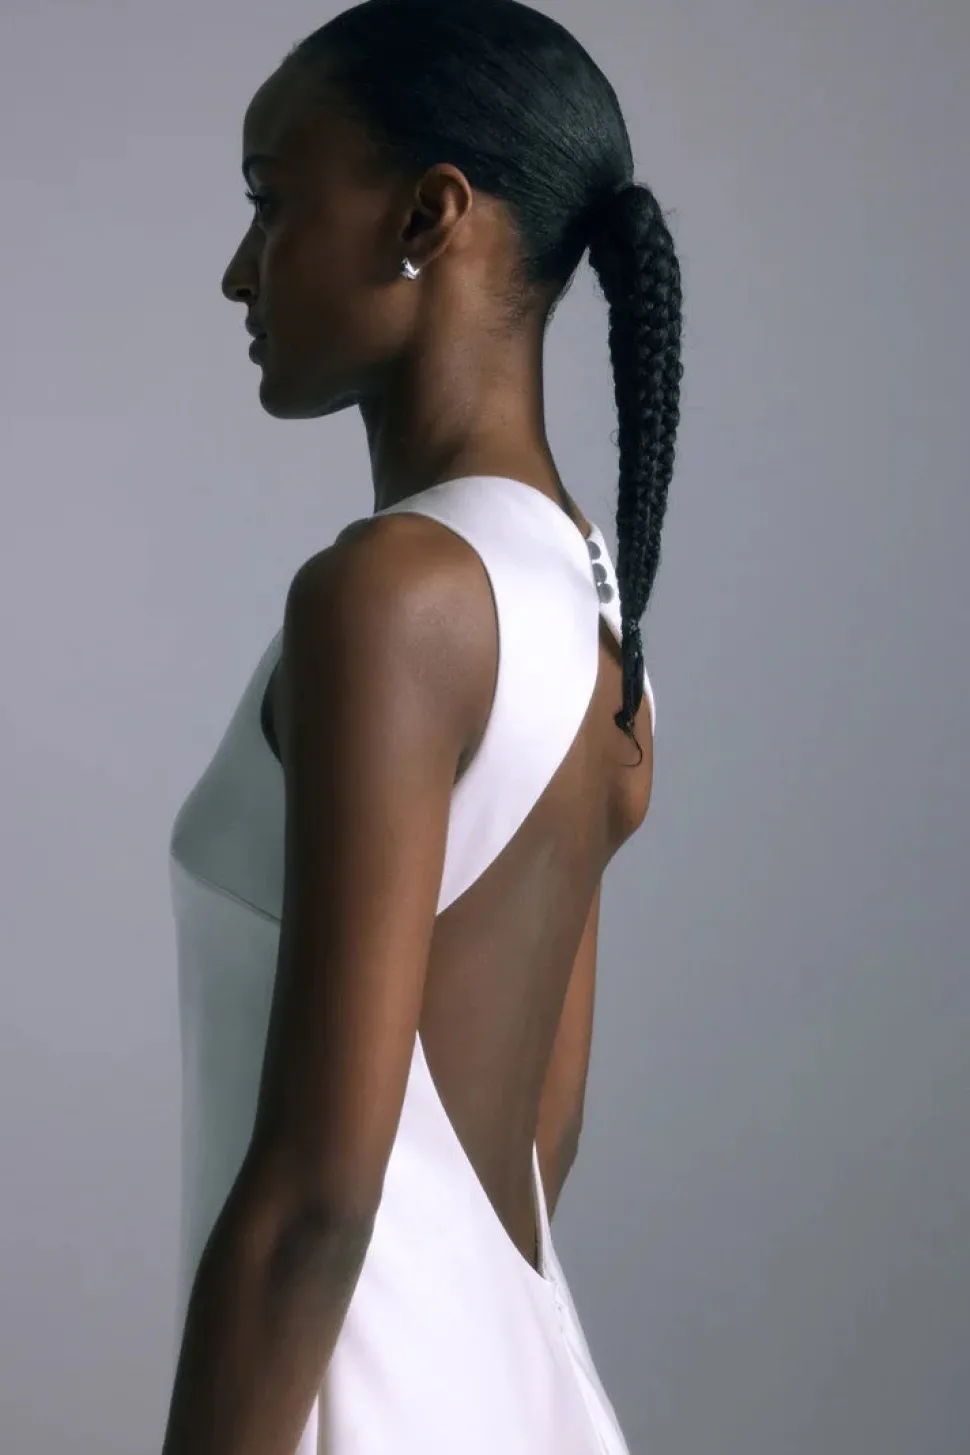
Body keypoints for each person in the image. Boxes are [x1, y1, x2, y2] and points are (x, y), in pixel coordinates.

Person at [163, 1, 683, 1450]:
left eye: (271, 200)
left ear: (426, 217)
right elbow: (535, 1141)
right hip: (519, 1397)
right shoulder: (595, 619)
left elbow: (314, 1201)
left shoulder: (394, 598)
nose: (238, 269)